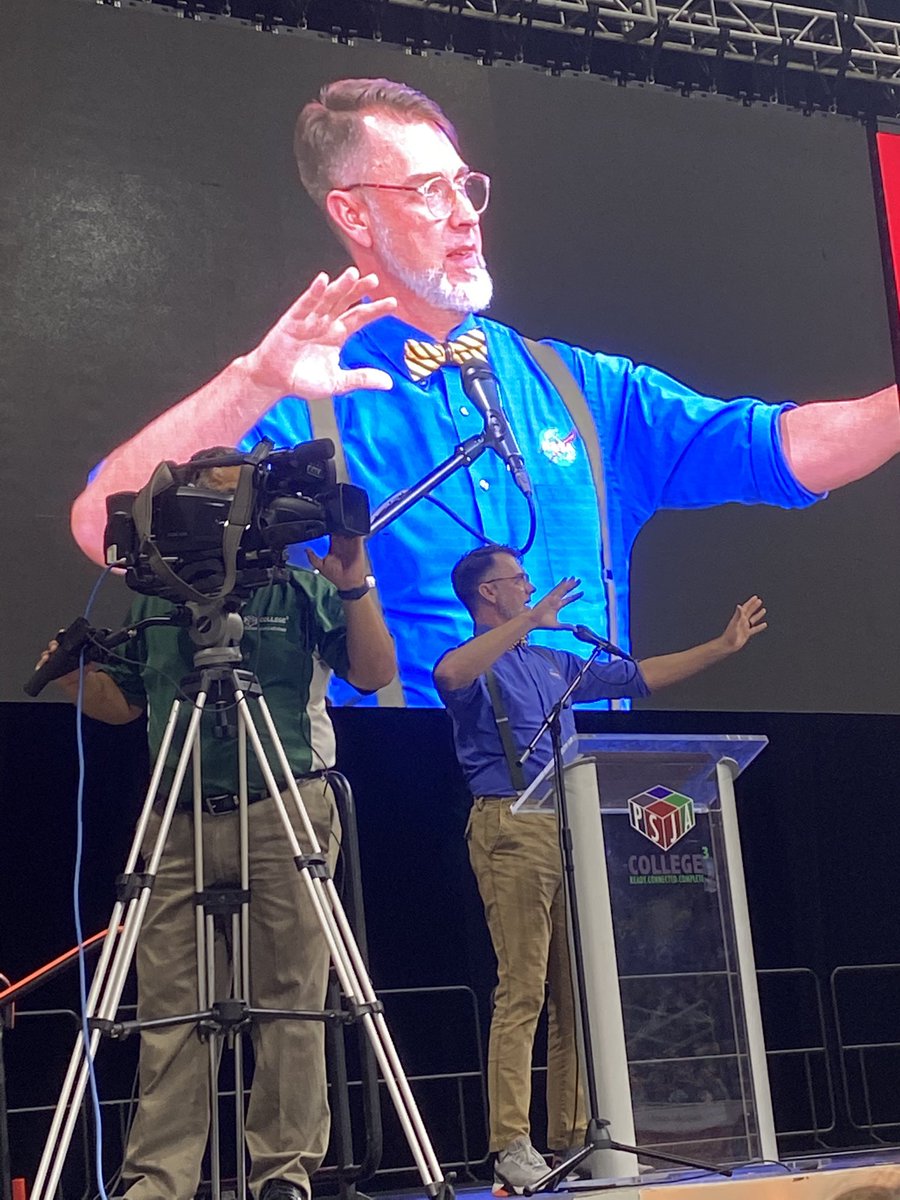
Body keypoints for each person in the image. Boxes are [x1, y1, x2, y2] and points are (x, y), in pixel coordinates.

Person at [68, 77, 900, 706]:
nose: (463, 212)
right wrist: (252, 382)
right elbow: (102, 524)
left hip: (589, 780)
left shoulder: (580, 390)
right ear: (354, 216)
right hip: (402, 782)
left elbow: (788, 449)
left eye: (465, 184)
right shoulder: (301, 403)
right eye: (427, 190)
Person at [36, 457, 397, 1200]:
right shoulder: (155, 601)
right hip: (175, 814)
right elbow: (127, 703)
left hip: (283, 801)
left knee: (292, 999)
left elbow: (373, 672)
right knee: (168, 1005)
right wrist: (76, 680)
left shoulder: (298, 586)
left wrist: (354, 581)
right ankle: (159, 1180)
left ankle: (284, 1173)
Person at [432, 543, 767, 1196]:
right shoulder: (481, 662)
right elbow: (448, 676)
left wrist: (721, 647)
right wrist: (526, 622)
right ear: (487, 594)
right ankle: (510, 1144)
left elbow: (639, 676)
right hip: (510, 824)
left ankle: (574, 1135)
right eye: (518, 580)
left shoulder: (556, 663)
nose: (530, 588)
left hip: (567, 824)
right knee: (522, 987)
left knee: (575, 993)